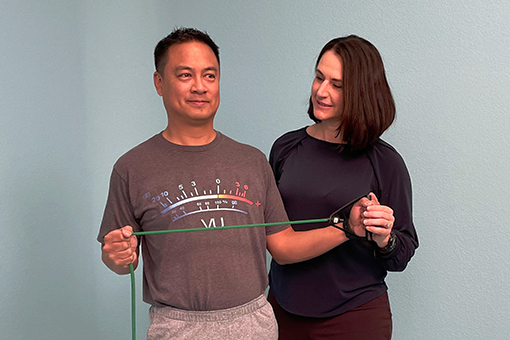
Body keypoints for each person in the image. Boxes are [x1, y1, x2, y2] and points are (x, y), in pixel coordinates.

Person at [97, 28, 369, 340]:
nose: (200, 87)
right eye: (185, 75)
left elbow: (282, 245)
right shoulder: (131, 168)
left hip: (254, 324)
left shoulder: (253, 161)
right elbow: (119, 259)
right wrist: (116, 257)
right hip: (176, 327)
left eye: (210, 76)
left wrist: (347, 228)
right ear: (160, 83)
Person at [267, 35, 419, 340]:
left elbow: (401, 253)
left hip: (355, 317)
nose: (321, 91)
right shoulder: (285, 148)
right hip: (281, 311)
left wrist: (384, 238)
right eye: (319, 77)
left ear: (361, 92)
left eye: (337, 85)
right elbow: (269, 235)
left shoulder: (384, 162)